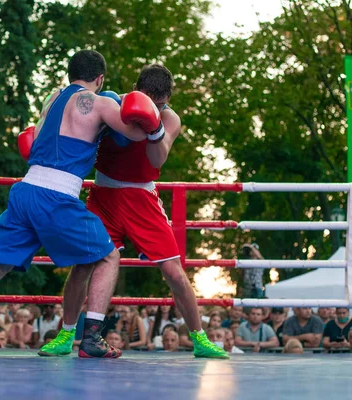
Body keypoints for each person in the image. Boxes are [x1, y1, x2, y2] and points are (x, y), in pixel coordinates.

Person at [0, 49, 156, 357]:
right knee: (108, 257)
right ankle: (92, 336)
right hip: (56, 195)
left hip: (25, 191)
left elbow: (33, 143)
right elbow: (135, 135)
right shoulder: (99, 102)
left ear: (70, 74)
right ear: (100, 78)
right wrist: (152, 121)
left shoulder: (51, 101)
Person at [41, 64, 228, 359]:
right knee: (84, 264)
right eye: (149, 102)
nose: (155, 108)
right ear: (137, 91)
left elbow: (156, 160)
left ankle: (200, 339)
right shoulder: (111, 104)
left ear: (168, 99)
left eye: (161, 103)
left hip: (141, 197)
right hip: (103, 195)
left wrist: (153, 126)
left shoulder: (170, 118)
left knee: (174, 272)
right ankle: (66, 335)